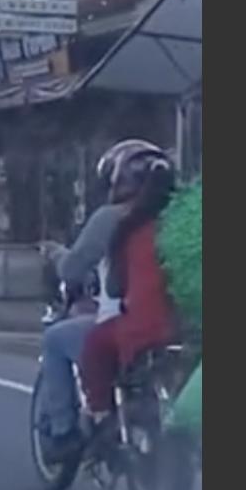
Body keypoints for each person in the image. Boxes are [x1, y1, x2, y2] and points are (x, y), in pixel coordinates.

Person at [36, 141, 162, 461]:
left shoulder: (112, 218)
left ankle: (64, 432)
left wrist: (54, 253)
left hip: (126, 324)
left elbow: (73, 268)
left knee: (54, 339)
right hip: (176, 328)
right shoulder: (178, 218)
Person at [79, 147, 177, 420]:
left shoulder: (128, 228)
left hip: (146, 329)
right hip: (188, 331)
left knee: (95, 344)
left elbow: (115, 288)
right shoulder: (185, 224)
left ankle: (99, 411)